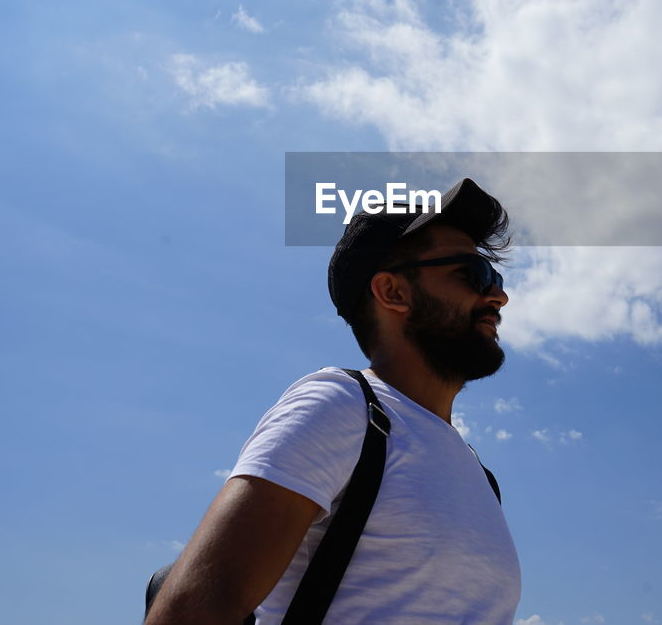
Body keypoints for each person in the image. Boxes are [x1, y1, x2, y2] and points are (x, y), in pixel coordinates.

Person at [145, 178, 520, 624]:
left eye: (494, 277)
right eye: (473, 275)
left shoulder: (478, 472)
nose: (498, 296)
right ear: (393, 292)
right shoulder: (342, 405)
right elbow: (192, 612)